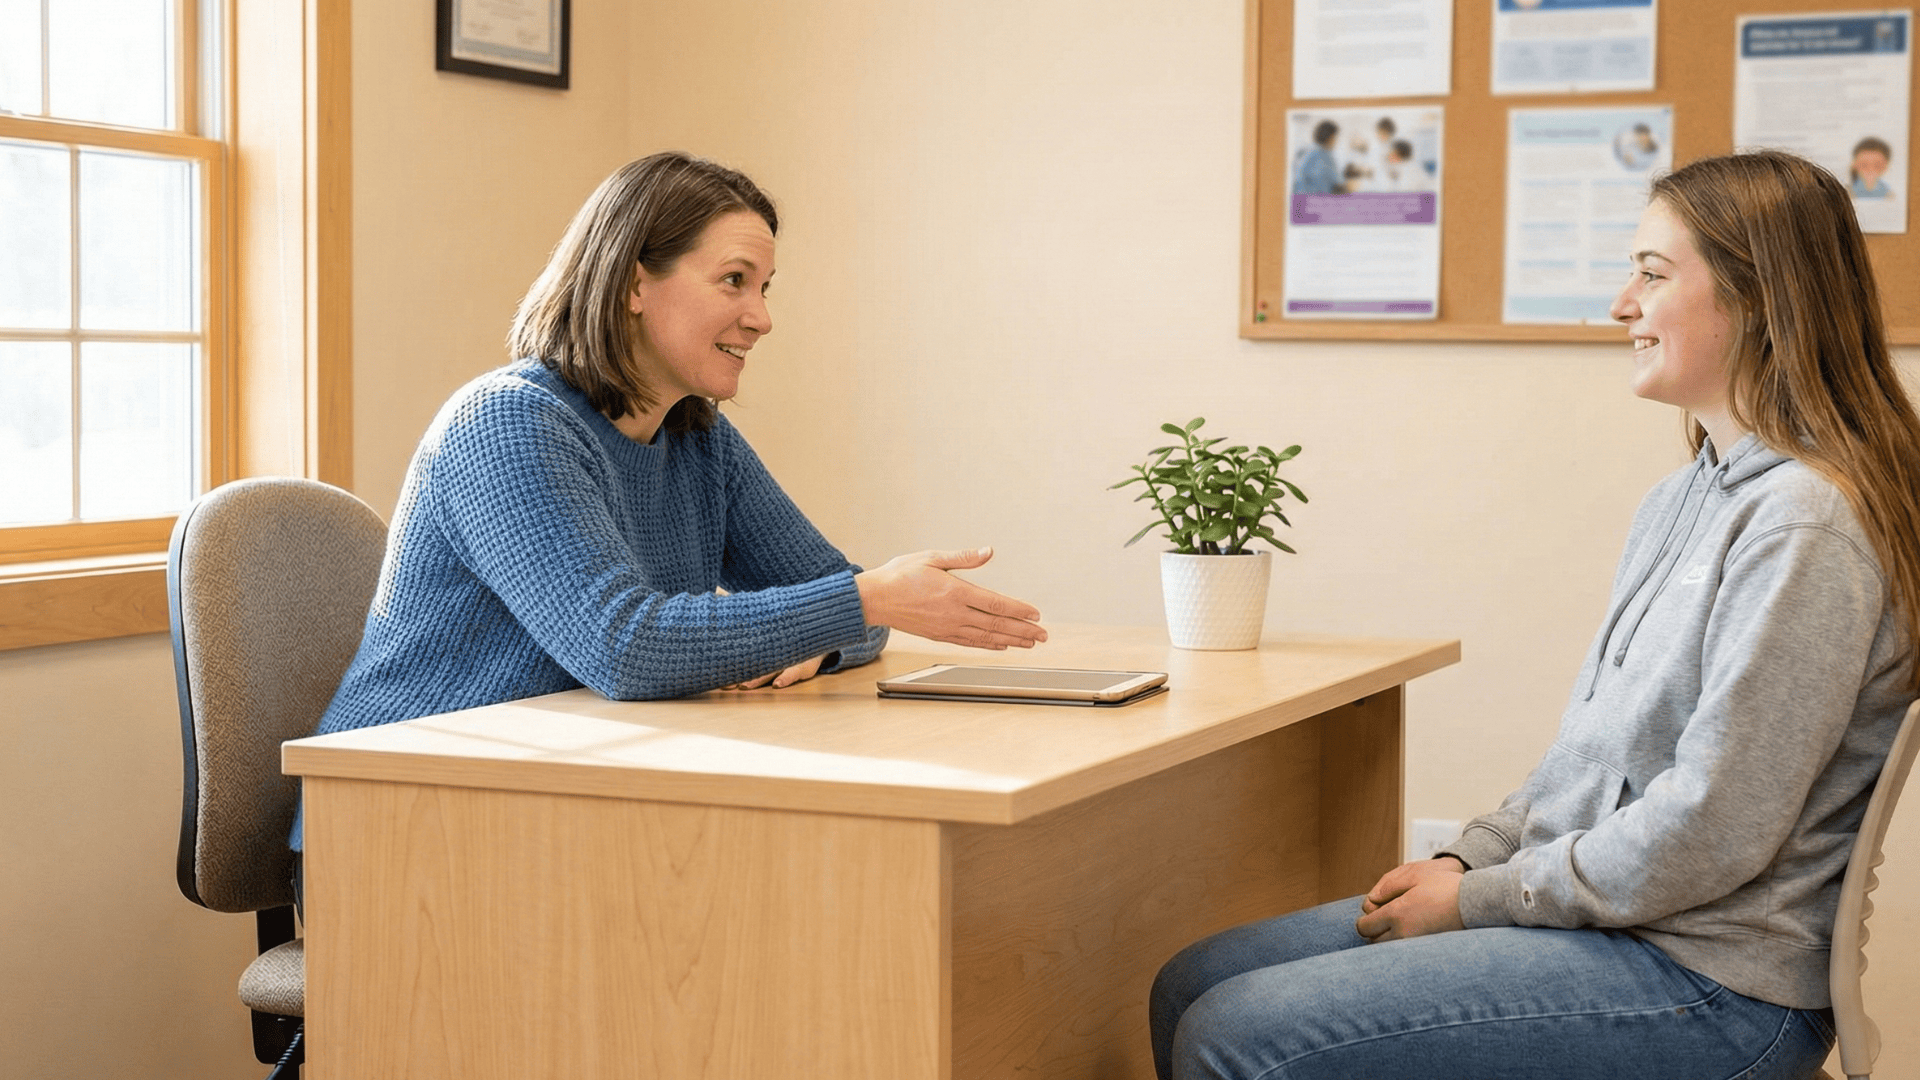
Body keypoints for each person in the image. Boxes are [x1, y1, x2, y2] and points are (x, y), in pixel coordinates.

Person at [1150, 149, 1920, 1079]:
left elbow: (1711, 830)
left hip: (1714, 982)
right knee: (1195, 980)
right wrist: (1472, 860)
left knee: (1236, 1030)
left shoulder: (1806, 523)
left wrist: (1475, 902)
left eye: (1651, 273)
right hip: (1626, 924)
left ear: (1759, 296)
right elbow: (1592, 756)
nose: (1619, 305)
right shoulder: (1684, 498)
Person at [288, 152, 1048, 855]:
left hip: (565, 792)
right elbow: (625, 648)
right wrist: (862, 601)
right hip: (399, 819)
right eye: (734, 281)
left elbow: (835, 595)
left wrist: (824, 633)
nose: (762, 316)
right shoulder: (508, 425)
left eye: (765, 288)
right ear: (633, 283)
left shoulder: (698, 440)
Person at [1292, 120, 1341, 195]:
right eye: (1335, 138)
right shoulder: (1325, 156)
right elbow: (1335, 184)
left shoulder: (1305, 151)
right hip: (1316, 200)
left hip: (1299, 198)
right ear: (1330, 138)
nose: (1336, 142)